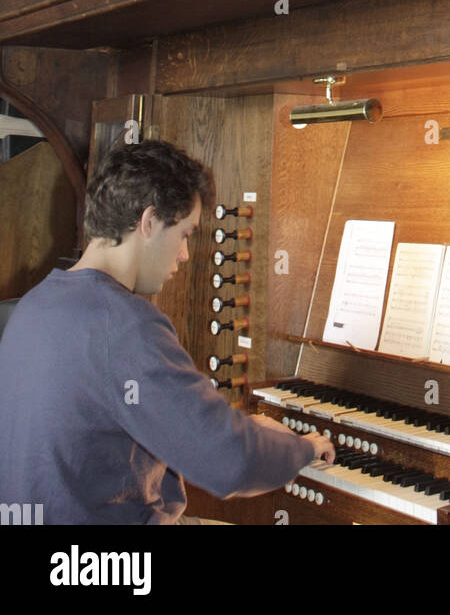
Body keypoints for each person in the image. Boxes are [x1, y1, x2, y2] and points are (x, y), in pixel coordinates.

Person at [0, 139, 335, 524]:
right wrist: (300, 449)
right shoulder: (125, 322)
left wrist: (234, 427)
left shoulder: (34, 304)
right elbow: (231, 464)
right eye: (185, 233)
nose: (184, 255)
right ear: (148, 222)